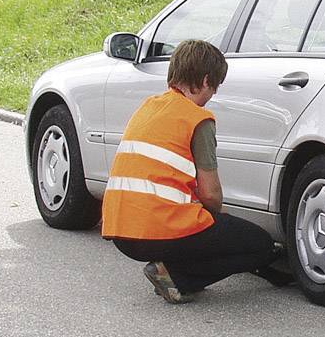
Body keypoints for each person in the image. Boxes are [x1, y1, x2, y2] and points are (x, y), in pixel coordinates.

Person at [101, 39, 287, 303]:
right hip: (160, 230)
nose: (213, 95)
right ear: (206, 80)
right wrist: (218, 221)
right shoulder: (198, 119)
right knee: (260, 246)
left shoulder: (148, 107)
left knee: (208, 231)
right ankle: (178, 277)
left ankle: (171, 265)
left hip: (122, 231)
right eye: (215, 87)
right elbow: (210, 195)